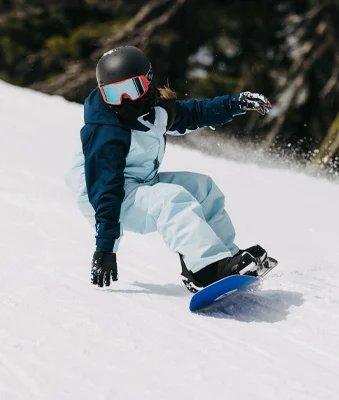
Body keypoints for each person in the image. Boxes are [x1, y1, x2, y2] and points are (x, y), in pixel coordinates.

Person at [66, 45, 274, 292]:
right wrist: (105, 247)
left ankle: (227, 256)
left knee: (202, 188)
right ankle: (205, 270)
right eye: (113, 94)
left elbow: (196, 113)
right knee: (170, 199)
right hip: (105, 198)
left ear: (148, 83)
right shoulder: (108, 129)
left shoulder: (156, 108)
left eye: (131, 89)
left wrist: (234, 103)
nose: (123, 101)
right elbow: (105, 187)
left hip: (138, 183)